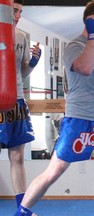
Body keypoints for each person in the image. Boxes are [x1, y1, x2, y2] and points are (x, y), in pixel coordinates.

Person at [14, 1, 94, 216]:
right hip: (79, 120)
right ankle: (21, 212)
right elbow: (85, 68)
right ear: (92, 20)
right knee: (54, 171)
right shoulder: (74, 46)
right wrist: (92, 36)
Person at [0, 0, 41, 209]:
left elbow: (21, 73)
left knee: (17, 156)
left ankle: (21, 209)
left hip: (15, 98)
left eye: (20, 12)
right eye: (14, 11)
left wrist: (33, 63)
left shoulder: (22, 37)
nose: (17, 16)